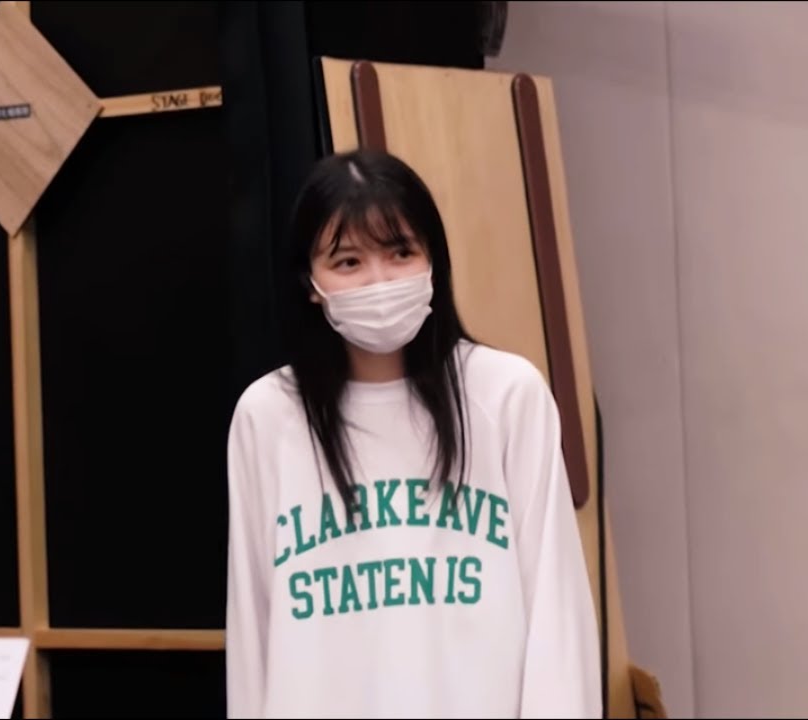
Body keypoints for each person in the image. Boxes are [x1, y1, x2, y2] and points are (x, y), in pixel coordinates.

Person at [225, 149, 601, 719]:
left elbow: (557, 613)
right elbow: (252, 628)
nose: (379, 280)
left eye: (400, 252)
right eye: (348, 261)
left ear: (433, 262)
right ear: (310, 282)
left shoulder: (505, 394)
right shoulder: (268, 415)